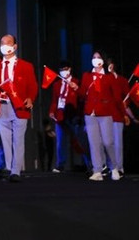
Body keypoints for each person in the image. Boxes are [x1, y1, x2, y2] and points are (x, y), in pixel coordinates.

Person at [0, 34, 38, 183]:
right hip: (2, 107)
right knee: (4, 140)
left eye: (8, 42)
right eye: (2, 43)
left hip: (19, 107)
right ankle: (7, 167)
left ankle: (16, 171)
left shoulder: (26, 66)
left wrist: (30, 98)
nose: (5, 45)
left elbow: (33, 86)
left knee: (18, 140)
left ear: (15, 46)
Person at [78, 51, 122, 181]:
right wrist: (76, 88)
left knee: (108, 142)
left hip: (105, 113)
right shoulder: (86, 76)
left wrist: (121, 113)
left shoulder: (108, 77)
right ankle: (97, 170)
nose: (96, 59)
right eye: (94, 57)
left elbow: (116, 96)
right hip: (90, 114)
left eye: (98, 57)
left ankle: (114, 167)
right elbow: (82, 94)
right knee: (94, 143)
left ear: (103, 60)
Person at [48, 61, 83, 173]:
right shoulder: (57, 85)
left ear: (70, 69)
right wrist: (52, 111)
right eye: (61, 69)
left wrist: (76, 88)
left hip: (72, 115)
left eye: (65, 69)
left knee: (78, 140)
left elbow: (81, 99)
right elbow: (55, 100)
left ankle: (87, 163)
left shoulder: (76, 82)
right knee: (60, 141)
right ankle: (60, 164)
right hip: (60, 115)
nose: (64, 71)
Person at [107, 59, 130, 176]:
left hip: (117, 115)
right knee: (106, 142)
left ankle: (118, 167)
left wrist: (125, 112)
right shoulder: (103, 78)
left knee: (117, 143)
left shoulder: (122, 80)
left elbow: (126, 97)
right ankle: (108, 166)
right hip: (104, 115)